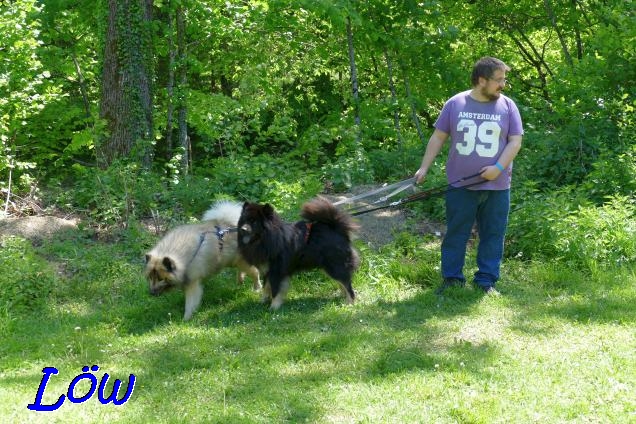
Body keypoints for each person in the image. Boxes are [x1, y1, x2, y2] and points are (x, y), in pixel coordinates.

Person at [414, 56, 523, 295]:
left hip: (497, 186)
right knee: (456, 234)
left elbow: (515, 141)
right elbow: (438, 137)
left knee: (493, 234)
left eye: (504, 79)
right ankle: (452, 279)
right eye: (499, 80)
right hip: (460, 186)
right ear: (481, 80)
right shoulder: (456, 104)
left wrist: (498, 168)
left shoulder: (508, 106)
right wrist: (424, 167)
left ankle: (486, 281)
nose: (503, 85)